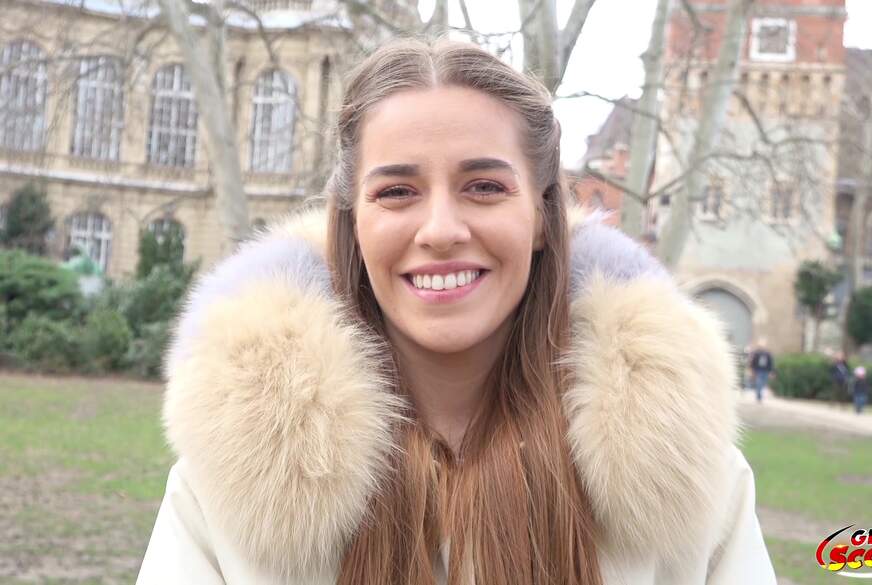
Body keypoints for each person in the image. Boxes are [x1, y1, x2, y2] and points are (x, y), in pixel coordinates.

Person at [136, 38, 775, 584]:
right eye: (397, 191)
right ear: (352, 224)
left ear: (542, 217)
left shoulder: (689, 483)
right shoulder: (226, 488)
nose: (441, 229)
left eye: (484, 187)